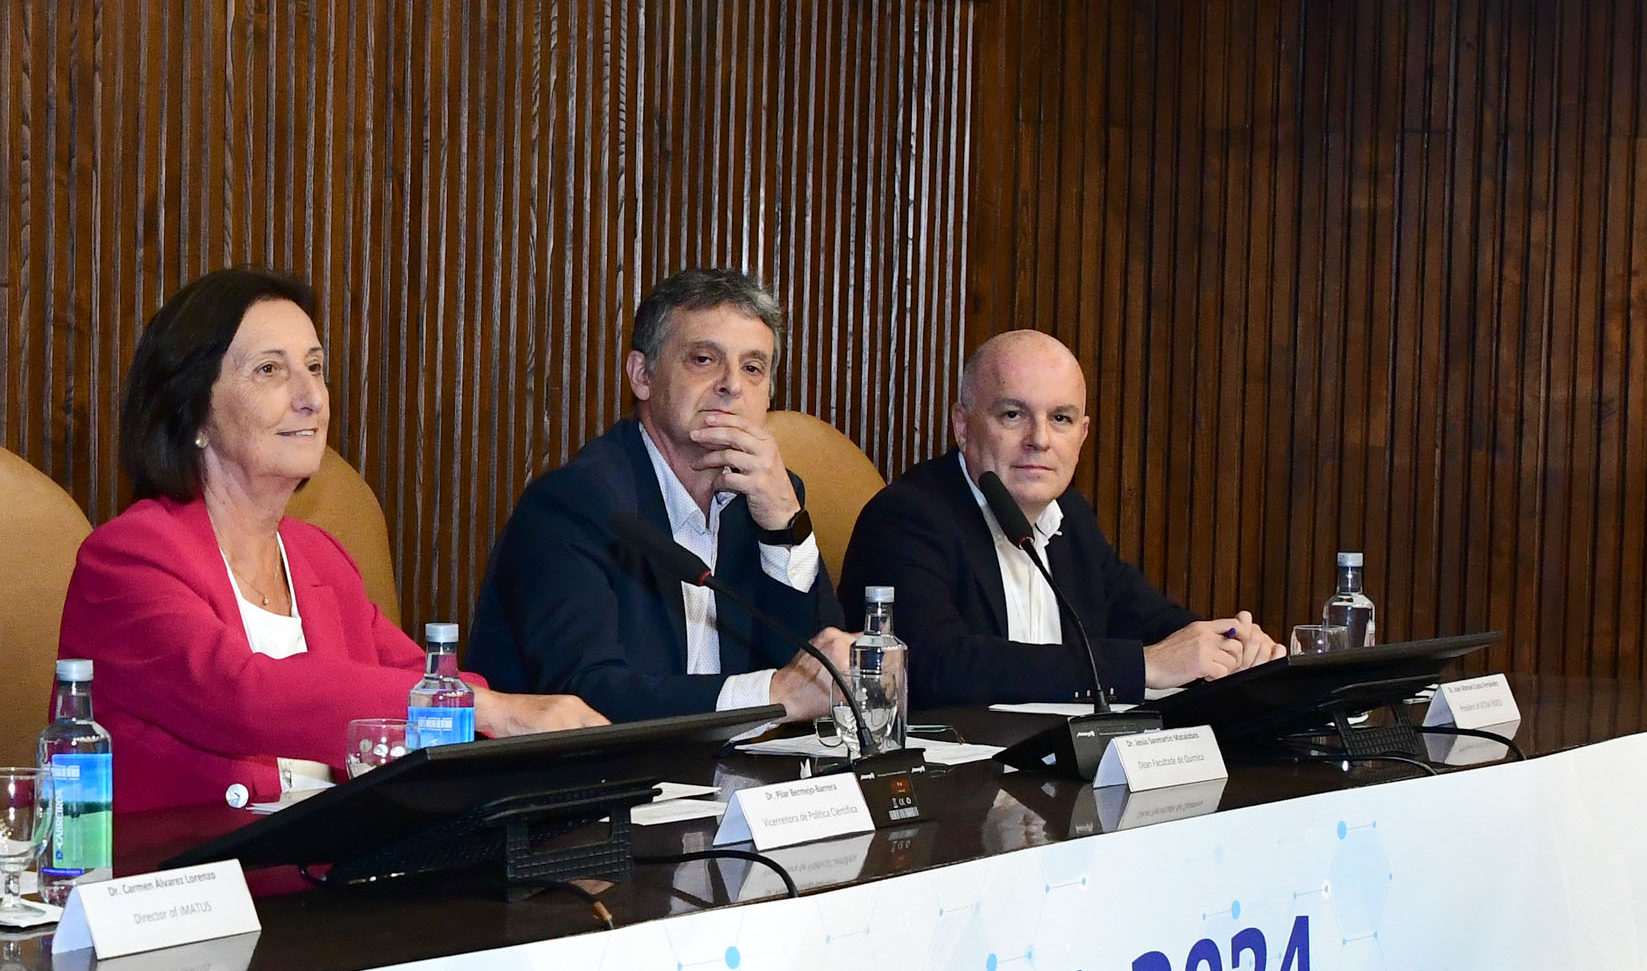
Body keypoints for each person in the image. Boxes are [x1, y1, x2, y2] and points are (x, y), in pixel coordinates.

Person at [58, 268, 599, 812]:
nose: (311, 398)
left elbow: (425, 679)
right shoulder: (128, 559)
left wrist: (521, 717)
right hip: (183, 860)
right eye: (270, 370)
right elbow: (244, 695)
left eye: (315, 368)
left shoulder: (320, 557)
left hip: (326, 857)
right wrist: (488, 710)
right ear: (193, 411)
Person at [463, 267, 856, 724]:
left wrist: (785, 525)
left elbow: (819, 677)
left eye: (753, 368)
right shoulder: (574, 504)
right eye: (704, 359)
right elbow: (587, 694)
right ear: (642, 376)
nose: (732, 385)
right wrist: (774, 693)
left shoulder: (767, 499)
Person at [839, 329, 1281, 708]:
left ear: (1082, 435)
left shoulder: (1070, 517)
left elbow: (1149, 620)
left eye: (1061, 418)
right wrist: (1144, 665)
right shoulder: (907, 517)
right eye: (1013, 415)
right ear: (963, 425)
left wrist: (1230, 646)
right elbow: (933, 665)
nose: (1040, 439)